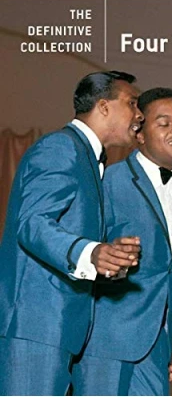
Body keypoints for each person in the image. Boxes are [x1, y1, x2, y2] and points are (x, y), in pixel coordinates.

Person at [0, 70, 143, 395]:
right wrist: (90, 253)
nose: (139, 115)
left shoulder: (87, 158)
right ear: (103, 106)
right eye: (132, 103)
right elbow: (33, 222)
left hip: (58, 330)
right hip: (36, 327)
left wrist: (109, 259)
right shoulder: (60, 147)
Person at [72, 87, 172, 396]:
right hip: (105, 342)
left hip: (157, 346)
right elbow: (80, 253)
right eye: (164, 123)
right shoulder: (109, 180)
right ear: (139, 134)